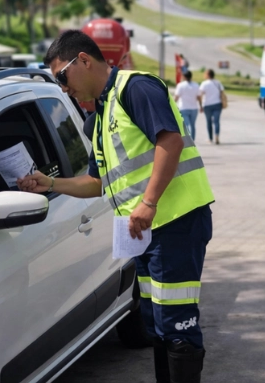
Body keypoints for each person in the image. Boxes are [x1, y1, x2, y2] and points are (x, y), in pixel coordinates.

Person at [17, 30, 214, 383]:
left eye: (62, 77)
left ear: (83, 60)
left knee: (178, 325)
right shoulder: (100, 117)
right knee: (157, 324)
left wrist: (149, 202)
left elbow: (170, 141)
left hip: (175, 223)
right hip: (145, 233)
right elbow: (97, 183)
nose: (64, 88)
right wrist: (51, 184)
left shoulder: (134, 88)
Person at [199, 69, 225, 144]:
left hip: (207, 105)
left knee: (209, 121)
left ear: (207, 75)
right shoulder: (218, 82)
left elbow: (200, 94)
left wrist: (200, 105)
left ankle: (210, 138)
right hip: (217, 104)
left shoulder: (204, 84)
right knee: (216, 121)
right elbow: (222, 92)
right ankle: (217, 136)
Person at [174, 71, 201, 140]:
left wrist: (173, 106)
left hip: (184, 107)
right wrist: (201, 106)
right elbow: (199, 97)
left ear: (184, 77)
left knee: (186, 125)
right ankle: (193, 140)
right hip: (194, 108)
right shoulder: (196, 85)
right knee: (192, 125)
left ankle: (188, 140)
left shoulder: (180, 85)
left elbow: (176, 97)